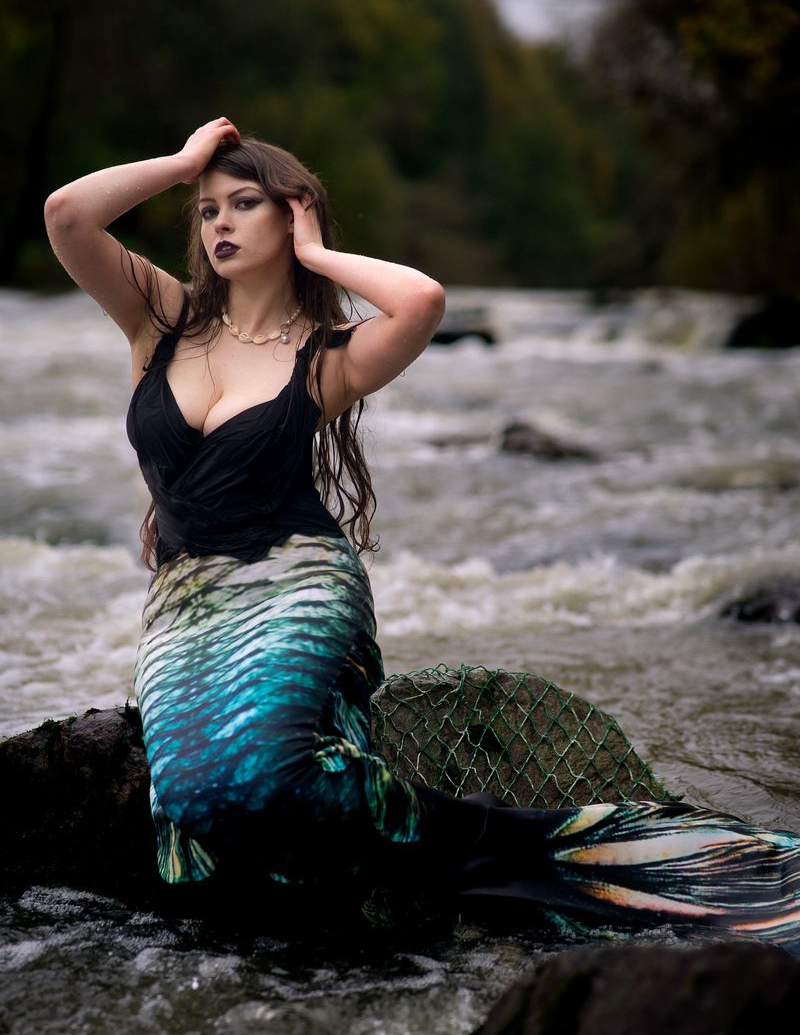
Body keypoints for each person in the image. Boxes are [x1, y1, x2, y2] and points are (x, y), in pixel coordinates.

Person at [45, 119, 800, 950]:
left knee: (265, 775)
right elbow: (68, 216)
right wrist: (183, 163)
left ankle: (486, 835)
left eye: (244, 203)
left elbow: (423, 301)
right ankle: (410, 840)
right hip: (187, 597)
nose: (219, 221)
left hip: (297, 578)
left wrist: (319, 255)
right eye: (208, 209)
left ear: (290, 216)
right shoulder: (162, 319)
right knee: (193, 805)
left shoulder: (326, 357)